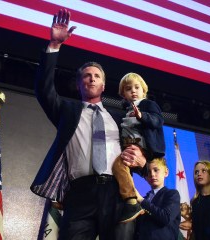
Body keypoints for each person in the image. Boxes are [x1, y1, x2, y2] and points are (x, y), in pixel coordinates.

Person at [30, 9, 147, 240]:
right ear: (79, 84)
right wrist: (54, 45)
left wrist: (142, 161)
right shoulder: (67, 111)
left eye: (96, 76)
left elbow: (140, 145)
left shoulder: (119, 117)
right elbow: (44, 90)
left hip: (116, 192)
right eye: (86, 75)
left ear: (103, 86)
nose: (91, 78)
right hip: (79, 193)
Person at [113, 72, 165, 223]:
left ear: (144, 90)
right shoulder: (126, 111)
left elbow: (158, 121)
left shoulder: (147, 105)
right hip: (128, 144)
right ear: (124, 94)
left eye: (137, 87)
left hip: (142, 146)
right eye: (129, 89)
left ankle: (131, 201)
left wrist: (142, 116)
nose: (133, 91)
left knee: (118, 165)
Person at [134, 158, 181, 240]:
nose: (152, 174)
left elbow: (166, 218)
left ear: (166, 172)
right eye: (149, 171)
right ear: (146, 177)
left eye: (156, 170)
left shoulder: (172, 194)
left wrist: (141, 200)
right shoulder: (145, 199)